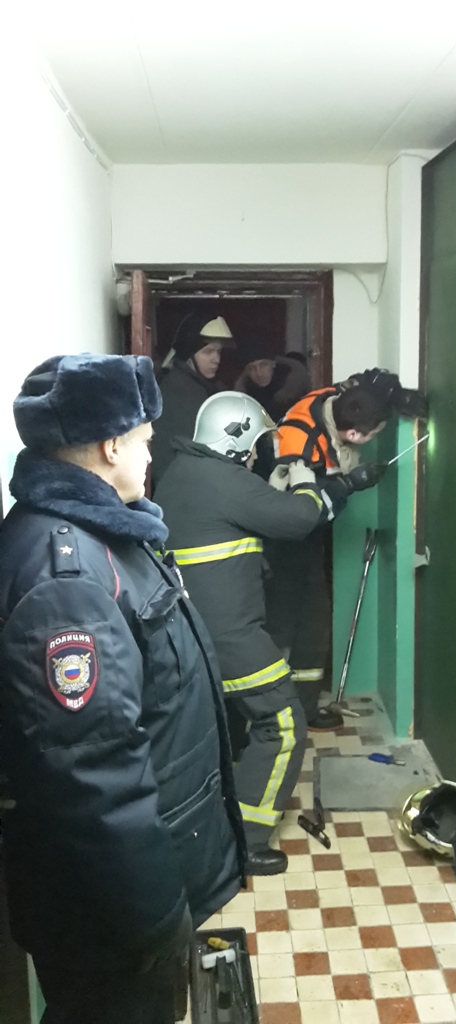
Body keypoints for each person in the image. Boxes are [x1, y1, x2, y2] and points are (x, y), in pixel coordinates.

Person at [0, 354, 245, 1024]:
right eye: (144, 439)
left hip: (133, 882)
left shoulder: (109, 532)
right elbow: (92, 778)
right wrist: (154, 917)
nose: (150, 453)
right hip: (115, 912)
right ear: (111, 445)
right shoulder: (68, 579)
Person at [154, 391, 330, 876]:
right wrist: (305, 484)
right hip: (229, 634)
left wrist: (266, 489)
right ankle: (247, 841)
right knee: (284, 723)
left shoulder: (182, 472)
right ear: (235, 441)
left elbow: (238, 515)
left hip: (193, 631)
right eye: (255, 446)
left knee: (229, 729)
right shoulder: (225, 479)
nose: (257, 455)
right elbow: (300, 519)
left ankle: (218, 815)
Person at [265, 369, 427, 730]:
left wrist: (397, 398)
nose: (373, 439)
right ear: (353, 435)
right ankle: (270, 714)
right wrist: (349, 485)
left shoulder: (332, 399)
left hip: (305, 540)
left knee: (314, 622)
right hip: (282, 542)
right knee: (283, 625)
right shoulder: (298, 448)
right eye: (374, 433)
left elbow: (367, 381)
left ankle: (304, 709)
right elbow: (298, 516)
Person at [151, 313, 234, 488]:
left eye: (218, 351)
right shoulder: (181, 392)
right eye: (208, 351)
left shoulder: (196, 386)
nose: (216, 359)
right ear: (188, 353)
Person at [234, 339, 310, 422]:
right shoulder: (246, 396)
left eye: (263, 365)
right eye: (252, 368)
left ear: (273, 364)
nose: (259, 373)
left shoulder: (295, 389)